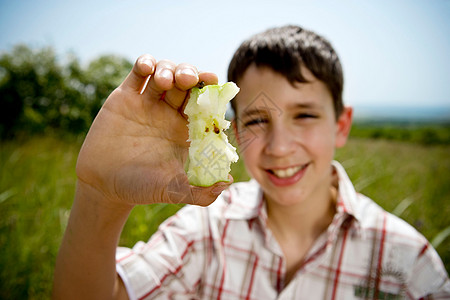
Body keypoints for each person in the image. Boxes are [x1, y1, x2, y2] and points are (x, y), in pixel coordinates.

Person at [52, 25, 449, 299]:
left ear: (341, 125)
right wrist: (100, 196)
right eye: (258, 119)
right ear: (234, 130)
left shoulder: (407, 262)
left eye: (305, 115)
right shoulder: (204, 227)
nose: (279, 146)